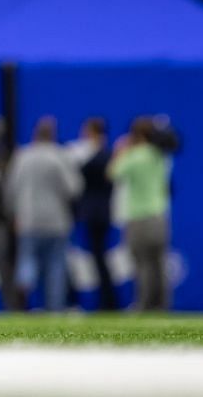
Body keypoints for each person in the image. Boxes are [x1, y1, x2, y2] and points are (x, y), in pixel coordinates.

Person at [4, 116, 81, 313]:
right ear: (53, 135)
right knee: (56, 266)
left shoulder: (23, 156)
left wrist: (13, 214)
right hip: (57, 220)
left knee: (27, 261)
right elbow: (74, 188)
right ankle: (54, 309)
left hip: (28, 218)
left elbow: (11, 189)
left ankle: (21, 299)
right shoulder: (60, 156)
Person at [109, 117, 173, 311]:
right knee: (159, 264)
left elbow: (112, 173)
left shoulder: (135, 156)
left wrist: (121, 151)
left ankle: (144, 305)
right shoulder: (160, 155)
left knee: (143, 264)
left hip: (139, 217)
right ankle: (162, 305)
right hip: (160, 216)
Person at [73, 116, 119, 310]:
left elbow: (88, 173)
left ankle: (108, 302)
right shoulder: (100, 154)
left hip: (98, 213)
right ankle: (106, 300)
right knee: (98, 257)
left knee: (100, 257)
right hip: (96, 212)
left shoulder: (103, 155)